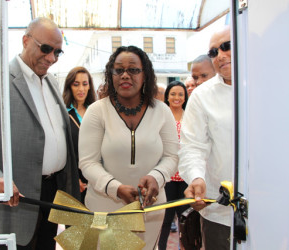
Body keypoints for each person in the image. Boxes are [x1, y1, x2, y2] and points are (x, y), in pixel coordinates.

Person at [0, 17, 80, 249]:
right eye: (46, 49)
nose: (51, 58)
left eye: (58, 52)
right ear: (25, 40)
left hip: (51, 195)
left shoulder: (50, 82)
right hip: (16, 200)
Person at [78, 45, 179, 250]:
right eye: (118, 70)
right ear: (111, 75)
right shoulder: (97, 111)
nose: (125, 75)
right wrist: (116, 188)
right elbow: (87, 162)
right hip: (105, 208)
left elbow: (172, 157)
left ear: (145, 75)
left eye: (133, 70)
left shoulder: (162, 111)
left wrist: (157, 177)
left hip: (150, 209)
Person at [178, 26, 233, 250]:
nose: (220, 55)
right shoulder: (202, 95)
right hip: (219, 212)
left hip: (273, 209)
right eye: (213, 52)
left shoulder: (275, 86)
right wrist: (196, 178)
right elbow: (192, 147)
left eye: (227, 46)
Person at [158, 81, 189, 250]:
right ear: (167, 96)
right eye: (173, 94)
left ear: (185, 97)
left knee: (185, 220)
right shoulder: (161, 116)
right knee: (165, 219)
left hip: (185, 176)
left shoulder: (190, 117)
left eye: (180, 94)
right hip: (167, 176)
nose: (177, 98)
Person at [62, 66, 96, 203]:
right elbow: (63, 151)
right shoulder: (63, 113)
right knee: (76, 222)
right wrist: (73, 179)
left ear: (89, 87)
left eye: (85, 84)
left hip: (96, 180)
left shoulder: (96, 112)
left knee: (97, 222)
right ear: (69, 86)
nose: (81, 89)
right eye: (76, 84)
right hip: (74, 179)